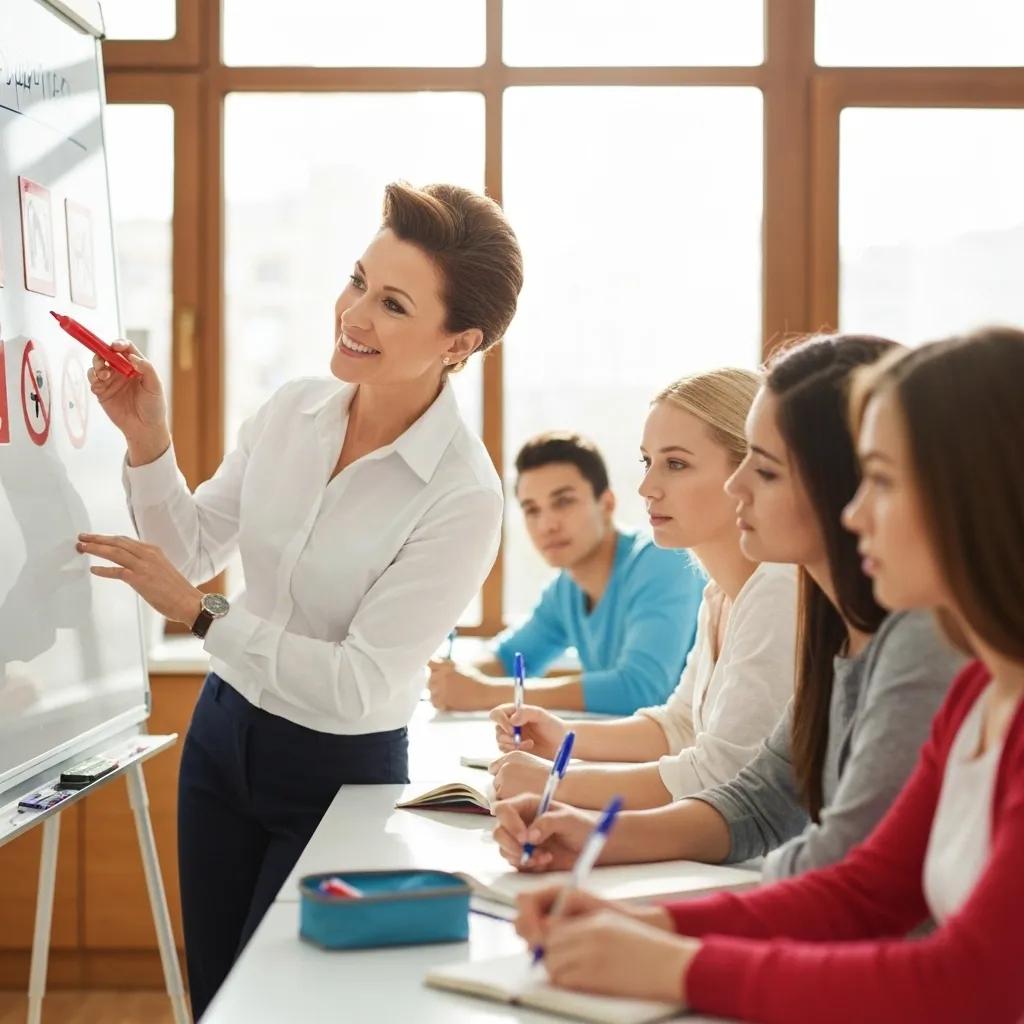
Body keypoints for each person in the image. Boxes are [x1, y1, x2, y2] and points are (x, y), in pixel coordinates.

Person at [75, 182, 523, 1019]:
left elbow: (357, 683)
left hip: (336, 773)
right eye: (358, 281)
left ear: (460, 342)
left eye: (393, 304)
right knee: (216, 998)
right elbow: (193, 549)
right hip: (221, 738)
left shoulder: (463, 495)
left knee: (282, 1007)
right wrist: (148, 439)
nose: (354, 314)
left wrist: (203, 614)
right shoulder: (292, 411)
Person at [511, 326, 1024, 1024]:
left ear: (976, 496)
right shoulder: (974, 693)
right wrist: (650, 924)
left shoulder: (929, 654)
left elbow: (967, 982)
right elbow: (862, 888)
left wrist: (678, 963)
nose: (855, 513)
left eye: (880, 481)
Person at [493, 335, 962, 880]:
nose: (738, 486)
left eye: (764, 469)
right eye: (647, 462)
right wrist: (592, 832)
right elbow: (760, 798)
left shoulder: (823, 604)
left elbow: (848, 873)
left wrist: (564, 788)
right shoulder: (812, 613)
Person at [488, 368, 798, 810]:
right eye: (647, 462)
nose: (646, 488)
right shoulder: (718, 596)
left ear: (750, 470)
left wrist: (556, 784)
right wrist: (562, 736)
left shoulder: (779, 589)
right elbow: (680, 726)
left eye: (676, 464)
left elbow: (719, 775)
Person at [428, 431, 704, 715]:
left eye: (563, 502)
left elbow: (641, 689)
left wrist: (486, 693)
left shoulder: (663, 560)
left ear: (607, 504)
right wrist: (453, 678)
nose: (546, 525)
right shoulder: (566, 590)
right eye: (532, 510)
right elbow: (508, 658)